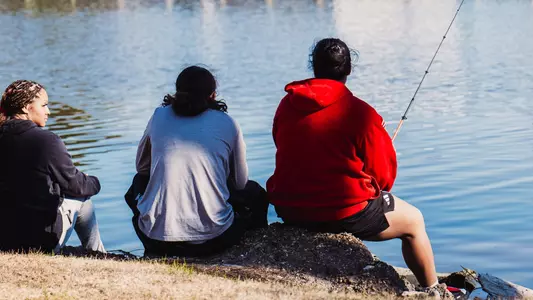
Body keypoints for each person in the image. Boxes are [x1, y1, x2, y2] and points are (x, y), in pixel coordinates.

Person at [267, 38, 438, 288]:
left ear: (314, 67)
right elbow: (384, 178)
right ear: (348, 69)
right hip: (344, 214)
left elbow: (281, 144)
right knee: (414, 221)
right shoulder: (360, 113)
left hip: (291, 210)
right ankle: (432, 289)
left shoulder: (286, 105)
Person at [129, 66, 268, 257]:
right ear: (212, 95)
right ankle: (257, 250)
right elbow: (240, 183)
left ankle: (157, 232)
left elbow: (142, 168)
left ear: (177, 92)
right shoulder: (227, 122)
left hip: (156, 240)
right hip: (213, 240)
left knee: (137, 183)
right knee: (256, 194)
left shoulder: (159, 116)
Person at [0, 80, 105, 253]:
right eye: (44, 105)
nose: (48, 111)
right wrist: (94, 181)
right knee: (84, 199)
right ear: (27, 107)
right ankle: (98, 254)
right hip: (39, 242)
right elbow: (77, 186)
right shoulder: (46, 141)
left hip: (4, 239)